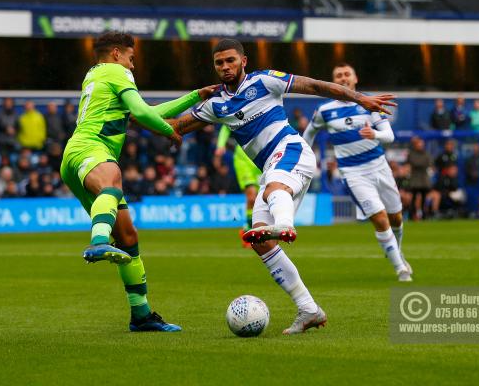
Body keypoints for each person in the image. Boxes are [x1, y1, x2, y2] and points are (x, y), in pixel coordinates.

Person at [165, 39, 396, 334]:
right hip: (271, 167)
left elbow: (313, 86)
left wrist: (359, 98)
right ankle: (308, 309)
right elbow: (176, 127)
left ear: (243, 61)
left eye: (230, 61)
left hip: (290, 150)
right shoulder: (216, 104)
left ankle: (285, 225)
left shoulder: (264, 81)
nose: (225, 67)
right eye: (219, 63)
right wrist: (131, 118)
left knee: (275, 189)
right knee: (260, 241)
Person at [60, 31, 217, 332]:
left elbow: (146, 112)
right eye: (131, 59)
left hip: (75, 158)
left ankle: (141, 315)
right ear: (117, 53)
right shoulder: (116, 72)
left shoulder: (97, 75)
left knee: (129, 237)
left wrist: (195, 96)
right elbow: (145, 113)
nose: (133, 66)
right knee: (113, 177)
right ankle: (98, 242)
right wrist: (169, 132)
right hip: (90, 149)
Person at [303, 63, 412, 282]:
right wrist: (303, 157)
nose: (343, 78)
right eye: (338, 75)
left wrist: (375, 134)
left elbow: (389, 135)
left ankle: (395, 250)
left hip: (379, 166)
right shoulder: (325, 111)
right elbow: (309, 133)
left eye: (346, 74)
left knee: (396, 217)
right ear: (333, 82)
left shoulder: (369, 103)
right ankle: (400, 268)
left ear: (355, 79)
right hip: (353, 172)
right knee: (380, 219)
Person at [215, 124, 262, 245]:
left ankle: (248, 227)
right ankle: (248, 231)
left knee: (258, 200)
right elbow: (226, 127)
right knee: (251, 197)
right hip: (243, 159)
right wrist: (221, 145)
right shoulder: (242, 111)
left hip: (259, 159)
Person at [407, 137, 432, 220]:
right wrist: (421, 164)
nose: (420, 146)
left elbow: (428, 162)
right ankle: (412, 215)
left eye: (421, 144)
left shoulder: (426, 153)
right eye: (419, 144)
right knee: (413, 198)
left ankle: (424, 215)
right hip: (415, 180)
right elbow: (415, 162)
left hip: (424, 180)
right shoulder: (411, 153)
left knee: (424, 199)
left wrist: (421, 164)